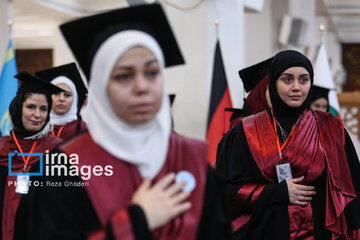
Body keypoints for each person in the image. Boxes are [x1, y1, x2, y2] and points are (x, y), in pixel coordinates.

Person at [30, 4, 231, 240]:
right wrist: (136, 221)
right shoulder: (62, 168)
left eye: (152, 72)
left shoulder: (192, 161)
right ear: (101, 88)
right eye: (124, 76)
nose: (142, 87)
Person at [216, 50, 360, 239]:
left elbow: (352, 193)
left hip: (319, 232)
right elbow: (225, 191)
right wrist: (274, 192)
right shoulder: (245, 132)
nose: (296, 87)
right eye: (287, 79)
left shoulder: (331, 129)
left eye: (303, 80)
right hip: (264, 232)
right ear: (273, 83)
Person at [0, 71, 63, 240]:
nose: (37, 115)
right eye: (30, 107)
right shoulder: (2, 147)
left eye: (43, 109)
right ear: (17, 107)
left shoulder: (57, 151)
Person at [35, 63, 87, 140]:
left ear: (75, 99)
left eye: (67, 95)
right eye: (56, 93)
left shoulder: (84, 130)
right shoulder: (37, 130)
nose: (62, 99)